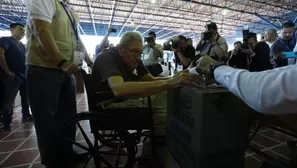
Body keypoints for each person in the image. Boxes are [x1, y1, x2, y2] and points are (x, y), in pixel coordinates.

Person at [92, 31, 201, 166]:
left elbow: (151, 79)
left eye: (140, 53)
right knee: (160, 98)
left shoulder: (131, 58)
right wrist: (170, 83)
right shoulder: (107, 57)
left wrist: (179, 77)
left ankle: (155, 138)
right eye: (135, 52)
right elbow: (119, 89)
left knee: (162, 93)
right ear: (121, 49)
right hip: (108, 105)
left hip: (120, 101)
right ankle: (158, 142)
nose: (138, 57)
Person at [22, 0, 92, 167]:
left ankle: (67, 153)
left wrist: (89, 61)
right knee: (46, 118)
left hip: (65, 70)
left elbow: (76, 37)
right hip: (44, 67)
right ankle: (52, 160)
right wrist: (61, 62)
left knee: (68, 116)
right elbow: (41, 29)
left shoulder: (65, 6)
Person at [0, 23, 32, 132]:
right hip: (11, 76)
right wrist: (7, 71)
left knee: (26, 97)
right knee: (9, 100)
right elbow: (1, 54)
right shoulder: (6, 40)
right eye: (20, 29)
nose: (23, 31)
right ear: (12, 30)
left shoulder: (22, 45)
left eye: (24, 30)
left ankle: (26, 116)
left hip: (23, 76)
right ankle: (6, 123)